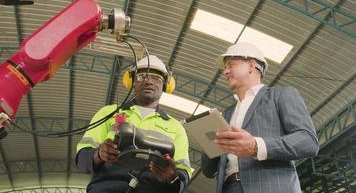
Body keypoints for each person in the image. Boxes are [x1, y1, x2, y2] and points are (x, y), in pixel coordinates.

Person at [201, 42, 319, 193]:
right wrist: (209, 144)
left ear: (251, 66)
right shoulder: (226, 114)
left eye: (230, 65)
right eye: (225, 67)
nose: (225, 71)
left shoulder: (281, 95)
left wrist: (256, 146)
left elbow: (308, 141)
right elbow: (208, 171)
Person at [76, 55, 193, 193]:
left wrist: (172, 178)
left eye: (156, 78)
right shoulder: (108, 113)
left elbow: (182, 177)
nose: (149, 81)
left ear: (166, 85)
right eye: (142, 77)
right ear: (131, 81)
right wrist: (99, 154)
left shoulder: (176, 128)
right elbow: (82, 160)